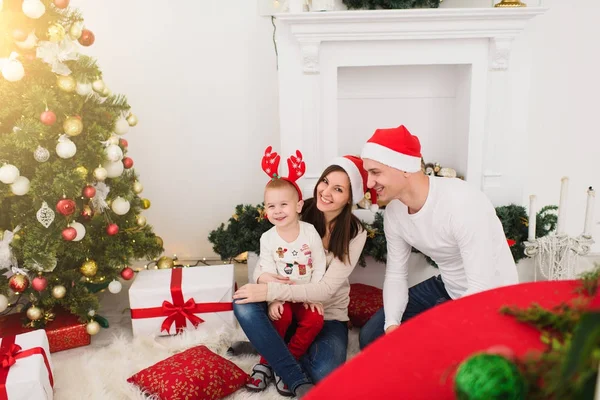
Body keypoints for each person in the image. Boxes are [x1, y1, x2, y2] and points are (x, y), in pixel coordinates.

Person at [358, 125, 519, 350]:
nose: (369, 183)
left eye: (375, 172)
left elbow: (481, 286)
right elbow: (396, 274)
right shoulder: (395, 212)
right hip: (448, 286)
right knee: (373, 338)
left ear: (404, 167)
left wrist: (441, 322)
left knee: (438, 348)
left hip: (491, 297)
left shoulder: (462, 202)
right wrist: (392, 326)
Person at [232, 154, 370, 398]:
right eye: (324, 181)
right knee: (243, 304)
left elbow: (326, 289)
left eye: (338, 189)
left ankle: (270, 348)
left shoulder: (354, 231)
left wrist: (269, 291)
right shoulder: (296, 208)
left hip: (325, 313)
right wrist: (266, 285)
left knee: (325, 372)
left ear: (350, 198)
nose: (326, 192)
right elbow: (262, 266)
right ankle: (290, 373)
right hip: (284, 304)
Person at [245, 147, 327, 395]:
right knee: (282, 317)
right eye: (271, 206)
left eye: (284, 204)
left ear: (299, 205)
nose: (277, 211)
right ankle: (265, 363)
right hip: (282, 294)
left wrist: (313, 295)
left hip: (304, 293)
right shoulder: (268, 238)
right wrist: (273, 299)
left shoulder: (309, 232)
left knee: (315, 320)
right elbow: (267, 270)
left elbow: (319, 264)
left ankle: (286, 362)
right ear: (265, 209)